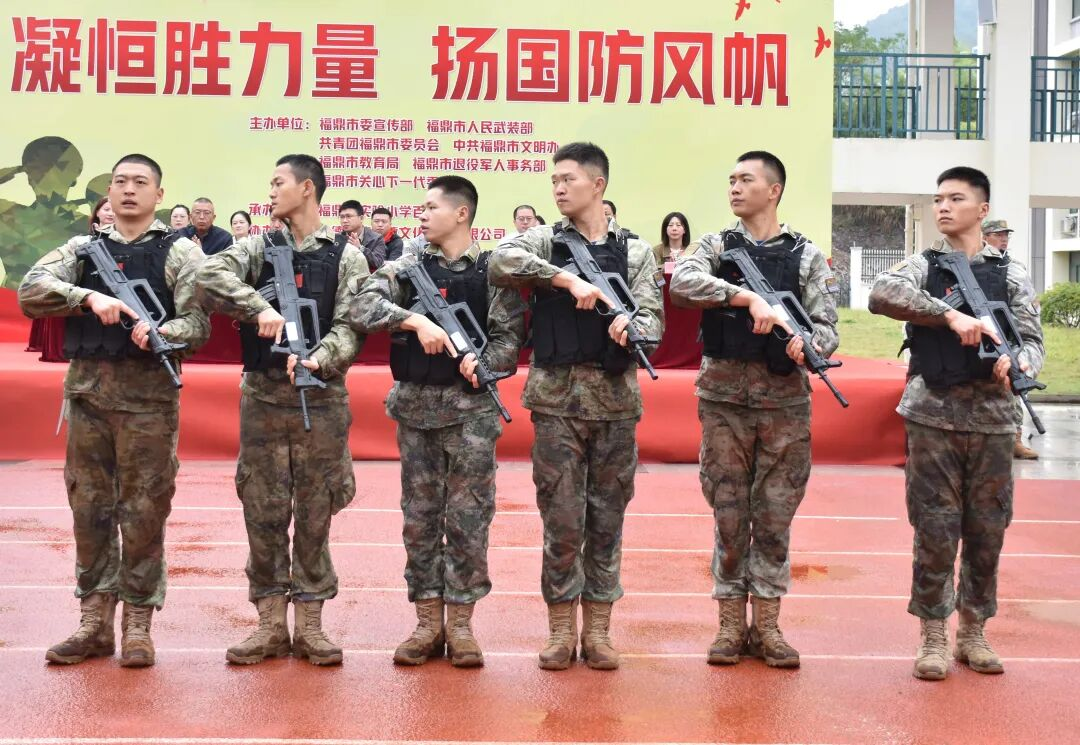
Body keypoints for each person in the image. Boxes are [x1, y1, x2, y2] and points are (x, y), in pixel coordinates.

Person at [17, 153, 210, 667]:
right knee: (89, 509)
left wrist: (163, 331)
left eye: (140, 182)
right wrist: (86, 298)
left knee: (144, 510)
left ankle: (138, 623)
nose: (128, 189)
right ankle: (94, 621)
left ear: (158, 195)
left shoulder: (180, 252)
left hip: (149, 402)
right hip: (89, 399)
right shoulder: (82, 249)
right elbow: (31, 290)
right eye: (120, 181)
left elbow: (199, 323)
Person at [489, 142, 664, 671]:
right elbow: (499, 260)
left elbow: (654, 323)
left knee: (606, 523)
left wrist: (631, 325)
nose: (559, 188)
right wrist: (564, 278)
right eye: (554, 181)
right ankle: (562, 629)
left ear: (598, 184)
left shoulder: (635, 252)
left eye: (568, 179)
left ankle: (600, 631)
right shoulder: (544, 240)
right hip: (557, 404)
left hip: (614, 405)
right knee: (562, 520)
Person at [868, 167, 1044, 680]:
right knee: (935, 528)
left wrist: (1022, 361)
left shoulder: (1010, 273)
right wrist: (949, 316)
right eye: (938, 199)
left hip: (993, 418)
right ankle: (933, 634)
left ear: (982, 210)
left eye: (956, 198)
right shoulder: (923, 264)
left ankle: (973, 631)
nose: (943, 207)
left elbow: (1032, 340)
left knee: (987, 529)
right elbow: (882, 293)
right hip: (932, 415)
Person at [669, 150, 839, 670]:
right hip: (723, 401)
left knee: (774, 517)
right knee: (728, 514)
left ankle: (767, 625)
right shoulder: (716, 246)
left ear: (774, 190)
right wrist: (744, 298)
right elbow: (682, 283)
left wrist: (808, 343)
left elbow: (828, 328)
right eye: (731, 179)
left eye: (746, 179)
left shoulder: (806, 256)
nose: (735, 188)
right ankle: (728, 625)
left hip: (784, 402)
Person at [196, 155, 368, 667]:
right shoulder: (256, 248)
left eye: (278, 183)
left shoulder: (347, 256)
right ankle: (270, 623)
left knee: (316, 512)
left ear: (307, 188)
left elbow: (352, 325)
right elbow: (208, 275)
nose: (270, 191)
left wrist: (320, 358)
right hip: (264, 397)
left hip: (322, 398)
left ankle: (311, 624)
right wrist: (259, 308)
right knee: (263, 509)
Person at [349, 176, 526, 668]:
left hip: (472, 417)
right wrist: (415, 320)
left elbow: (509, 339)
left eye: (431, 207)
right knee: (420, 520)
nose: (422, 215)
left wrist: (484, 364)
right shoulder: (407, 267)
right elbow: (361, 305)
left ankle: (462, 626)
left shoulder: (492, 272)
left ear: (461, 214)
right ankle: (427, 623)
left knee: (469, 519)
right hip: (417, 412)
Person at [981, 218, 1039, 460]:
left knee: (1014, 384)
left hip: (1008, 335)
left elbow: (1026, 310)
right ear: (984, 237)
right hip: (979, 333)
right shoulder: (972, 263)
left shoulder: (1014, 267)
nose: (1003, 238)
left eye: (1006, 235)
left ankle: (1015, 437)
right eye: (998, 234)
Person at [338, 199, 386, 270]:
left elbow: (378, 263)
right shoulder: (337, 239)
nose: (344, 221)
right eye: (342, 217)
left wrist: (360, 248)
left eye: (348, 216)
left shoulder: (376, 238)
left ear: (361, 218)